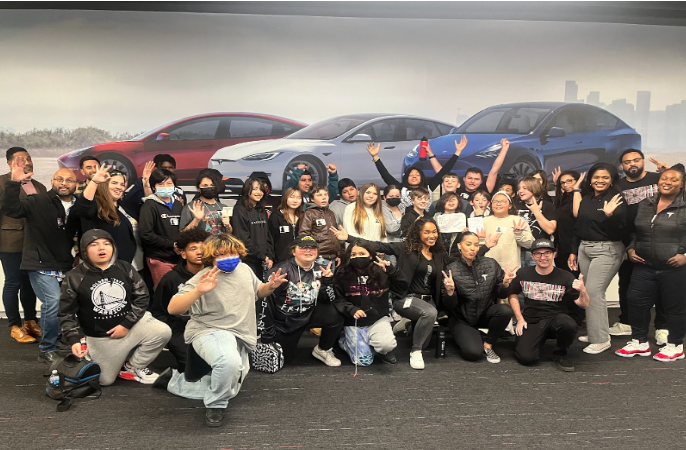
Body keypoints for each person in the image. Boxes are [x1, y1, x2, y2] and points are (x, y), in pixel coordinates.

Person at [158, 234, 288, 427]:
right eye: (221, 254)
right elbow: (173, 308)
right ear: (211, 257)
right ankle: (216, 404)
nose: (228, 258)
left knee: (230, 387)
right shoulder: (203, 277)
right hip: (210, 330)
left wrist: (270, 286)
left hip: (241, 334)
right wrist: (198, 291)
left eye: (232, 253)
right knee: (228, 363)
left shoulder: (244, 269)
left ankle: (174, 382)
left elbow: (258, 290)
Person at [332, 217, 471, 370]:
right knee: (429, 315)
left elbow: (457, 261)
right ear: (418, 233)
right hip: (406, 297)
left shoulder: (438, 253)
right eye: (426, 232)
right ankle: (415, 351)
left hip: (428, 301)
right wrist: (348, 238)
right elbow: (378, 245)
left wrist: (480, 247)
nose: (431, 235)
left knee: (426, 337)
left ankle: (407, 325)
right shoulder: (405, 248)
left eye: (434, 232)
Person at [60, 229, 171, 385]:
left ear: (113, 247)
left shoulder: (125, 268)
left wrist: (126, 325)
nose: (101, 248)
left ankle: (132, 367)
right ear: (85, 250)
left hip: (129, 328)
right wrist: (75, 340)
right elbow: (66, 313)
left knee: (162, 331)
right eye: (94, 244)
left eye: (106, 243)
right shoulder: (74, 276)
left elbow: (142, 297)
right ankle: (91, 354)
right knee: (104, 381)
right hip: (101, 338)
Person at [2, 156, 79, 363]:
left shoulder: (78, 205)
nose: (64, 183)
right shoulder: (38, 200)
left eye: (69, 180)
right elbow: (12, 210)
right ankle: (47, 348)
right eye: (59, 179)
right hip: (39, 264)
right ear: (52, 182)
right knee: (52, 302)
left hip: (65, 264)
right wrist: (14, 183)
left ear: (76, 184)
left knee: (66, 304)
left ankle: (61, 340)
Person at [616, 166, 686, 361]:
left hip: (674, 268)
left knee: (674, 307)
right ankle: (639, 342)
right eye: (664, 178)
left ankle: (675, 345)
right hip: (644, 266)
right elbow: (634, 231)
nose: (667, 182)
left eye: (673, 179)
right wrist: (631, 248)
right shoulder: (645, 203)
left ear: (681, 184)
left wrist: (685, 254)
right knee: (635, 302)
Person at [569, 163, 627, 355]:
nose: (600, 181)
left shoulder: (616, 199)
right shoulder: (587, 199)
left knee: (594, 292)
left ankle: (601, 339)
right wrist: (573, 251)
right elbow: (579, 226)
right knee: (586, 291)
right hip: (585, 248)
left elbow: (621, 231)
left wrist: (610, 216)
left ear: (612, 180)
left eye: (605, 177)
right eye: (596, 177)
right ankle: (596, 332)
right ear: (590, 179)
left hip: (607, 249)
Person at [508, 238, 590, 372]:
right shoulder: (523, 273)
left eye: (547, 253)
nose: (543, 257)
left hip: (555, 318)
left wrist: (583, 290)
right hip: (532, 319)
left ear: (554, 254)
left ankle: (560, 353)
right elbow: (512, 294)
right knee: (527, 359)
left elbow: (584, 304)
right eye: (538, 254)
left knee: (569, 324)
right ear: (532, 256)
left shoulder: (565, 276)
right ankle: (537, 338)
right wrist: (519, 318)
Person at [262, 235, 343, 366]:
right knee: (284, 360)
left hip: (309, 312)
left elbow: (329, 300)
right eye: (303, 247)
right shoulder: (281, 270)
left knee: (336, 313)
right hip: (286, 321)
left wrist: (327, 283)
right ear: (293, 251)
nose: (308, 251)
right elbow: (266, 301)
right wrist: (268, 331)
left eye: (312, 248)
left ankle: (323, 350)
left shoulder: (320, 269)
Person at [612, 149, 667, 339]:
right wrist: (629, 246)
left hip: (659, 240)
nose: (632, 164)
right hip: (628, 241)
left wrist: (668, 172)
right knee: (626, 284)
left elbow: (680, 192)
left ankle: (662, 327)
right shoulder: (618, 185)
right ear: (622, 166)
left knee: (661, 285)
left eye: (636, 160)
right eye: (627, 162)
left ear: (643, 161)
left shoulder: (658, 178)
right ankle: (626, 322)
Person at [442, 232, 516, 363]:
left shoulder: (491, 264)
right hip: (462, 318)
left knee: (505, 310)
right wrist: (450, 292)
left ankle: (488, 344)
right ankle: (467, 336)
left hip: (484, 313)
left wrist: (505, 285)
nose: (472, 248)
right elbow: (449, 305)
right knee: (473, 353)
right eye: (468, 244)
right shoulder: (451, 269)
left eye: (476, 245)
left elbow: (502, 294)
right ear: (459, 246)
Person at [333, 241, 408, 365]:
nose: (357, 257)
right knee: (364, 361)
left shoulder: (382, 271)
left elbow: (402, 288)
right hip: (353, 320)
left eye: (362, 253)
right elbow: (337, 298)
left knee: (386, 345)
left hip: (377, 318)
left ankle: (379, 348)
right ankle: (342, 339)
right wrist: (351, 309)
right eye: (353, 254)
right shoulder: (342, 273)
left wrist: (392, 271)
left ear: (371, 255)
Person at [0, 147, 45, 343]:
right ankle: (14, 325)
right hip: (10, 242)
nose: (26, 162)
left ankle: (30, 321)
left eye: (29, 158)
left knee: (30, 284)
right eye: (20, 159)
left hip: (34, 244)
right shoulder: (2, 183)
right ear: (9, 163)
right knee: (13, 282)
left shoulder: (39, 186)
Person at [150, 228, 209, 373]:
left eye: (203, 248)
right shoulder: (171, 279)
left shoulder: (215, 274)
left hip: (209, 325)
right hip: (180, 328)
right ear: (183, 254)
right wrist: (171, 335)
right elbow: (158, 311)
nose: (199, 252)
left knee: (222, 364)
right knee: (192, 368)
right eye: (193, 249)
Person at [367, 137, 468, 212]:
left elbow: (444, 172)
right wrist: (375, 157)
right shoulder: (401, 188)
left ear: (422, 177)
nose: (414, 176)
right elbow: (386, 175)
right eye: (411, 175)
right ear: (406, 177)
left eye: (417, 174)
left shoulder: (428, 187)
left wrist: (457, 152)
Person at [72, 164, 142, 269]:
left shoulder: (124, 206)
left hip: (132, 266)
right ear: (104, 184)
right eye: (114, 183)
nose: (119, 187)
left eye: (122, 184)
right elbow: (83, 208)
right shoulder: (96, 206)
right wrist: (94, 182)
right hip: (106, 268)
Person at [139, 168, 184, 288]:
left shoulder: (178, 204)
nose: (165, 187)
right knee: (164, 291)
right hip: (159, 258)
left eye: (169, 183)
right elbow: (146, 234)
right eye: (160, 184)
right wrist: (171, 244)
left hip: (178, 257)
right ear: (154, 186)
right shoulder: (149, 205)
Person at [552, 170, 584, 325]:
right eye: (562, 183)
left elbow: (578, 227)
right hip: (561, 248)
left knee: (574, 283)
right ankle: (567, 317)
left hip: (573, 249)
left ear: (578, 181)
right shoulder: (562, 199)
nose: (566, 185)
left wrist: (573, 251)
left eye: (569, 181)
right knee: (563, 283)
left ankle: (577, 318)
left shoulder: (581, 198)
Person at [230, 176, 274, 278]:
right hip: (247, 261)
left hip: (263, 261)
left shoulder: (261, 210)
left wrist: (269, 256)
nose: (259, 192)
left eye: (261, 189)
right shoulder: (239, 210)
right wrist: (261, 256)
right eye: (255, 189)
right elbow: (243, 239)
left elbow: (268, 235)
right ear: (247, 190)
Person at [481, 191, 534, 272]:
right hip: (487, 268)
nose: (498, 204)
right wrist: (480, 239)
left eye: (503, 201)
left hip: (511, 268)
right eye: (495, 201)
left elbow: (529, 244)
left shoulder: (518, 220)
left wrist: (519, 234)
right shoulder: (484, 221)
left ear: (510, 205)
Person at [122, 154, 187, 219]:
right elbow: (129, 202)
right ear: (156, 168)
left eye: (170, 167)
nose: (167, 170)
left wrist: (180, 207)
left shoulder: (179, 191)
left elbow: (183, 215)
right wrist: (145, 183)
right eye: (164, 168)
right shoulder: (143, 184)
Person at [515, 176, 558, 267]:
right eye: (519, 188)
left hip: (539, 252)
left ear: (534, 189)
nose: (520, 191)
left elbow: (550, 230)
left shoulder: (547, 205)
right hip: (517, 251)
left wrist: (536, 212)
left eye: (524, 188)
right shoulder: (515, 205)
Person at [455, 138, 512, 204]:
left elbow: (494, 170)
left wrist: (504, 149)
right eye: (470, 178)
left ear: (481, 181)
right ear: (464, 179)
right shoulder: (456, 189)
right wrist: (458, 151)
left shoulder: (485, 190)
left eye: (476, 179)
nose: (472, 181)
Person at [298, 183, 340, 269]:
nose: (324, 197)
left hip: (333, 257)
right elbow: (304, 236)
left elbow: (336, 235)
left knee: (330, 278)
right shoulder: (309, 213)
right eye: (319, 195)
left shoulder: (331, 213)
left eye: (325, 194)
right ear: (312, 199)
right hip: (318, 257)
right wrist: (311, 254)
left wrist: (338, 254)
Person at [179, 169, 231, 235]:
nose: (209, 188)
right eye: (205, 185)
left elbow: (229, 233)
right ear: (198, 188)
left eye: (212, 185)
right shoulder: (191, 207)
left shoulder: (224, 207)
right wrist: (196, 219)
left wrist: (228, 225)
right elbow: (183, 233)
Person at [269, 187, 303, 264]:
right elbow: (270, 239)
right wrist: (270, 257)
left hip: (301, 261)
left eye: (299, 198)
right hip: (280, 261)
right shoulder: (276, 216)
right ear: (285, 198)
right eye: (292, 197)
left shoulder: (304, 216)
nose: (295, 201)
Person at [433, 191, 466, 256]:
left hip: (456, 255)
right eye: (447, 200)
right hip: (438, 253)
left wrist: (465, 233)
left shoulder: (462, 218)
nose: (451, 201)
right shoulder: (436, 217)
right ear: (442, 202)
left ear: (458, 202)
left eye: (453, 199)